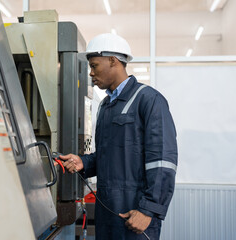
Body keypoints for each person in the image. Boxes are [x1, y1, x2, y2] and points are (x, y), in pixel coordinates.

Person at [59, 33, 178, 240]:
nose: (91, 73)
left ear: (113, 61)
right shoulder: (106, 106)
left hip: (135, 215)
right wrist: (83, 162)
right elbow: (110, 154)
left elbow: (163, 162)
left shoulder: (148, 100)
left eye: (94, 65)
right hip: (108, 212)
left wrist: (148, 210)